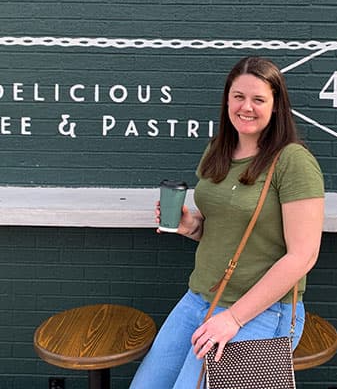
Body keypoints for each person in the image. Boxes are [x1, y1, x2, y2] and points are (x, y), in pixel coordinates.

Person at [130, 56, 325, 389]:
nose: (246, 107)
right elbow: (219, 228)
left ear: (276, 106)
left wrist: (233, 318)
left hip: (261, 312)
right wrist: (190, 225)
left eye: (258, 99)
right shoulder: (217, 149)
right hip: (199, 297)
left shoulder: (293, 162)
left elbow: (303, 256)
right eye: (238, 97)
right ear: (227, 100)